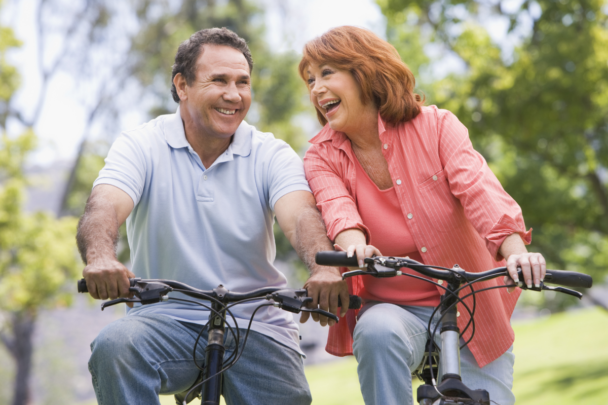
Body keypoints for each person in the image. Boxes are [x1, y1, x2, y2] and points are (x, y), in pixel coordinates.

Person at [76, 27, 347, 405]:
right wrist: (101, 258)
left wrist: (322, 267)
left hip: (256, 323)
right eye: (218, 80)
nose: (234, 95)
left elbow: (300, 215)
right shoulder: (141, 145)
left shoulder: (270, 153)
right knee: (115, 347)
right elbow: (103, 205)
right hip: (167, 317)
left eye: (242, 82)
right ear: (182, 85)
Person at [298, 26, 547, 405]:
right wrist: (355, 248)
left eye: (327, 73)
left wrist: (516, 252)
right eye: (311, 79)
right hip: (393, 310)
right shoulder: (321, 155)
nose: (316, 88)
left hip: (472, 303)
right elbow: (337, 210)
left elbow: (481, 193)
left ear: (364, 71)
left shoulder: (436, 126)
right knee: (376, 331)